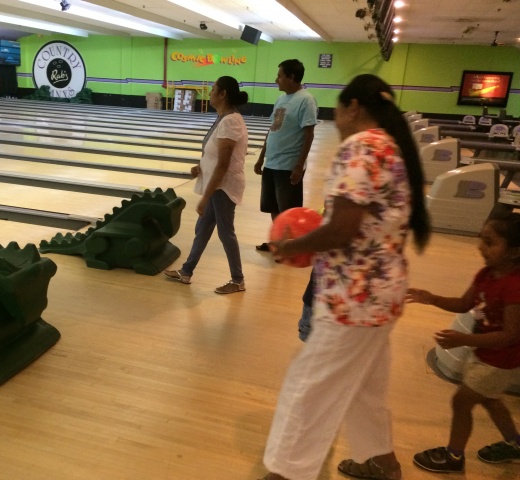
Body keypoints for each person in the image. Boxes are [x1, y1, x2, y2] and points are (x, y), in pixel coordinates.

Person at [258, 74, 430, 480]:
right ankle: (382, 463)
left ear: (353, 108)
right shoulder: (390, 147)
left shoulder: (361, 146)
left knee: (308, 387)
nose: (336, 118)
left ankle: (284, 472)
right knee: (364, 384)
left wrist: (290, 246)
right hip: (381, 294)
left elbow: (341, 230)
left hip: (354, 298)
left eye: (337, 109)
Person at [408, 212, 520, 474]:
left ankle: (454, 457)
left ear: (515, 252)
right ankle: (516, 444)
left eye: (490, 242)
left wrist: (463, 339)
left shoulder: (514, 287)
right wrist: (432, 298)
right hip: (484, 354)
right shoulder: (486, 274)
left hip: (500, 361)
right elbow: (464, 304)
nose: (481, 247)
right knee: (490, 401)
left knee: (462, 402)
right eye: (481, 239)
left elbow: (510, 335)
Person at [163, 76, 248, 294]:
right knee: (202, 229)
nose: (209, 93)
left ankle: (238, 280)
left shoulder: (230, 121)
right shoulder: (223, 118)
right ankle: (186, 271)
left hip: (223, 186)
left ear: (223, 94)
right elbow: (215, 156)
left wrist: (206, 196)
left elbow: (224, 164)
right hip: (217, 184)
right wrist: (200, 166)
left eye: (213, 89)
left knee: (226, 232)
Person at [254, 59, 318, 252]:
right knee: (273, 207)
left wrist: (299, 165)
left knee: (288, 210)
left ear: (291, 77)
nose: (276, 80)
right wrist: (261, 157)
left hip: (288, 165)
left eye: (280, 76)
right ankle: (277, 242)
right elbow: (272, 129)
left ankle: (289, 246)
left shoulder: (306, 100)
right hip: (272, 162)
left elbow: (309, 134)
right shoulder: (281, 99)